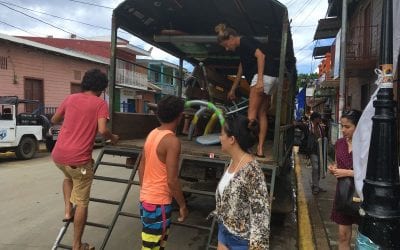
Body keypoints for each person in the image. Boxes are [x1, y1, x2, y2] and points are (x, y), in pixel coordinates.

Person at [51, 68, 119, 250]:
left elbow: (54, 119)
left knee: (68, 176)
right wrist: (113, 138)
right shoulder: (100, 104)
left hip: (59, 156)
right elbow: (103, 130)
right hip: (79, 160)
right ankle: (77, 245)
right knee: (82, 202)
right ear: (101, 88)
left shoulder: (70, 98)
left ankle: (67, 211)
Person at [215, 23, 279, 158]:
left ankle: (244, 149)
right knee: (261, 114)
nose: (227, 49)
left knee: (251, 114)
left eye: (226, 45)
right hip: (273, 77)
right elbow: (241, 68)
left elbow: (261, 56)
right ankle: (260, 149)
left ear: (232, 37)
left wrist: (260, 80)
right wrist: (233, 88)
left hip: (263, 76)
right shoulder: (242, 48)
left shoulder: (244, 41)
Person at [211, 115, 270, 250]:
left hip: (241, 243)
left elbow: (261, 219)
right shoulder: (232, 162)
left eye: (222, 134)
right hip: (224, 233)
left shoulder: (252, 171)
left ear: (232, 139)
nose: (220, 138)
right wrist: (221, 240)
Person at [138, 95, 188, 250]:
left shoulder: (152, 133)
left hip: (146, 199)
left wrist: (146, 190)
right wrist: (182, 205)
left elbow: (141, 166)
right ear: (180, 116)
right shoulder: (172, 141)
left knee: (152, 244)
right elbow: (172, 180)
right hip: (159, 203)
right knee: (153, 246)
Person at [328, 109, 361, 250]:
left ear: (358, 126)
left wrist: (346, 172)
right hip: (343, 194)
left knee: (365, 237)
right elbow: (338, 163)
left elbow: (371, 174)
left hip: (361, 195)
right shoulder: (340, 143)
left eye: (347, 127)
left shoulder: (366, 145)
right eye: (342, 126)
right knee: (343, 235)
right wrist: (334, 169)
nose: (343, 130)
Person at [306, 112, 326, 195]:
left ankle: (316, 185)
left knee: (319, 168)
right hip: (313, 150)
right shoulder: (309, 127)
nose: (320, 119)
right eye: (318, 118)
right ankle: (315, 187)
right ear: (314, 118)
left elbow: (323, 138)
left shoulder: (320, 128)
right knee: (315, 167)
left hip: (320, 151)